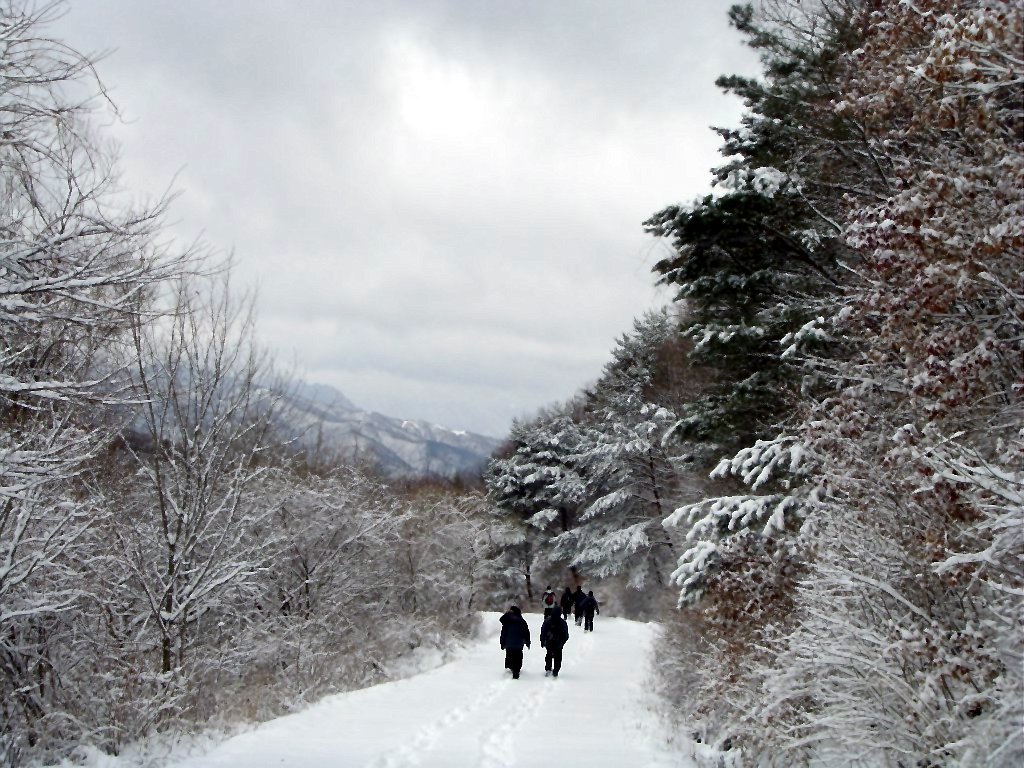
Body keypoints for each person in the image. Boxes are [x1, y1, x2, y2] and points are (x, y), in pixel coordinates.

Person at [498, 605, 531, 679]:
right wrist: (528, 642)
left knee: (509, 655)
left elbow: (504, 633)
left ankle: (509, 669)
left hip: (509, 643)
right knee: (518, 657)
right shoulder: (522, 621)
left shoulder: (507, 621)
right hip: (519, 644)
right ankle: (516, 671)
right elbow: (526, 633)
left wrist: (502, 642)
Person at [540, 605, 570, 678]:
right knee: (558, 657)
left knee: (549, 655)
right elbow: (565, 635)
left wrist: (542, 640)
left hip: (549, 641)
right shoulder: (562, 622)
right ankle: (556, 670)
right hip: (558, 642)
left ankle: (548, 669)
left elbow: (543, 631)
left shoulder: (547, 621)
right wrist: (562, 642)